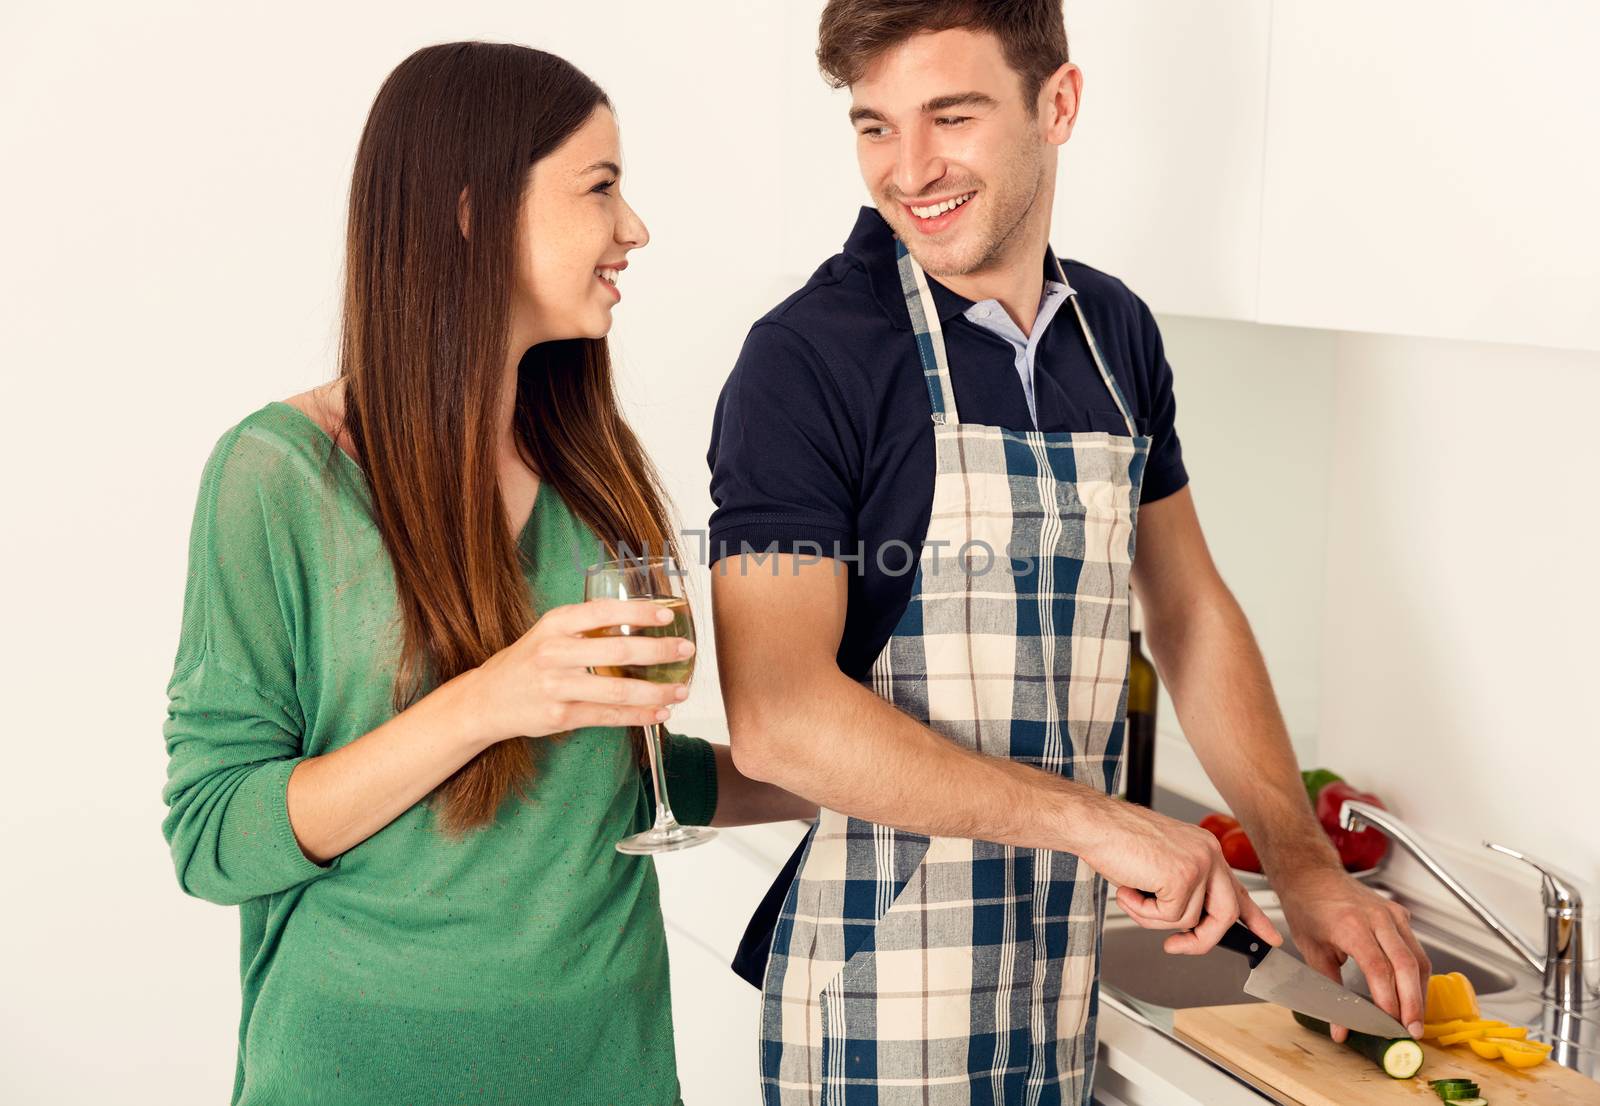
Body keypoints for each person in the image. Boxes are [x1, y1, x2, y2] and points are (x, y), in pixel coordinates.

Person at [707, 3, 1432, 1102]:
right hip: (878, 993)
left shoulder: (1114, 332)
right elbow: (778, 715)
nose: (908, 170)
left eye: (950, 116)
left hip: (1051, 983)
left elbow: (1187, 611)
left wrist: (1303, 861)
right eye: (873, 126)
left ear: (1058, 104)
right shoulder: (806, 359)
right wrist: (1097, 822)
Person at [160, 41, 812, 1106]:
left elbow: (603, 782)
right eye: (599, 187)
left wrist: (842, 766)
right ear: (472, 210)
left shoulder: (589, 470)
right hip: (358, 1071)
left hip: (609, 1064)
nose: (634, 227)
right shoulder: (276, 477)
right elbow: (215, 837)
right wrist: (491, 699)